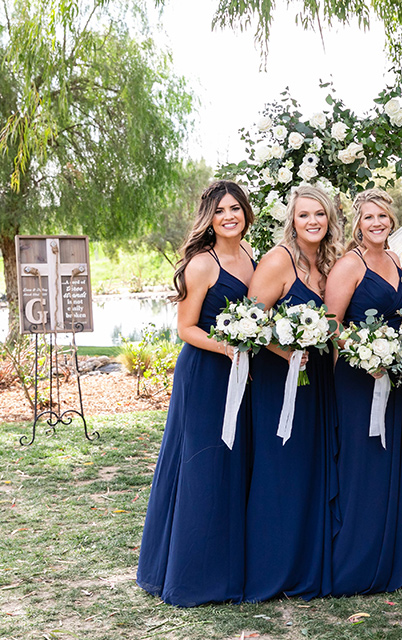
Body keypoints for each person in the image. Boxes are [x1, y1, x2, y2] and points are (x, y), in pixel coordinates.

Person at [137, 180, 256, 606]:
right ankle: (191, 575)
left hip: (240, 373)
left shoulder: (248, 257)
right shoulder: (202, 264)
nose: (229, 216)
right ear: (210, 216)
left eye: (236, 208)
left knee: (233, 462)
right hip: (206, 371)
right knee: (201, 464)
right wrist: (226, 346)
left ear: (245, 213)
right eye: (221, 210)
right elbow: (185, 328)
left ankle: (229, 568)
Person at [243, 184, 342, 601]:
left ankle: (307, 565)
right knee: (280, 468)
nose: (313, 222)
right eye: (304, 215)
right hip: (280, 377)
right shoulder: (277, 260)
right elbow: (250, 322)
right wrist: (286, 351)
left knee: (310, 469)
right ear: (292, 220)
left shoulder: (329, 261)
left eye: (320, 214)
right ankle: (273, 569)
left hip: (317, 378)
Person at [325, 188, 402, 595]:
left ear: (391, 220)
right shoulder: (351, 264)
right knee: (362, 466)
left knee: (390, 466)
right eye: (369, 218)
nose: (377, 223)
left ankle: (389, 562)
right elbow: (331, 325)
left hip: (396, 379)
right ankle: (355, 563)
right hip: (359, 380)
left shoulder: (399, 262)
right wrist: (367, 353)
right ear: (358, 225)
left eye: (383, 216)